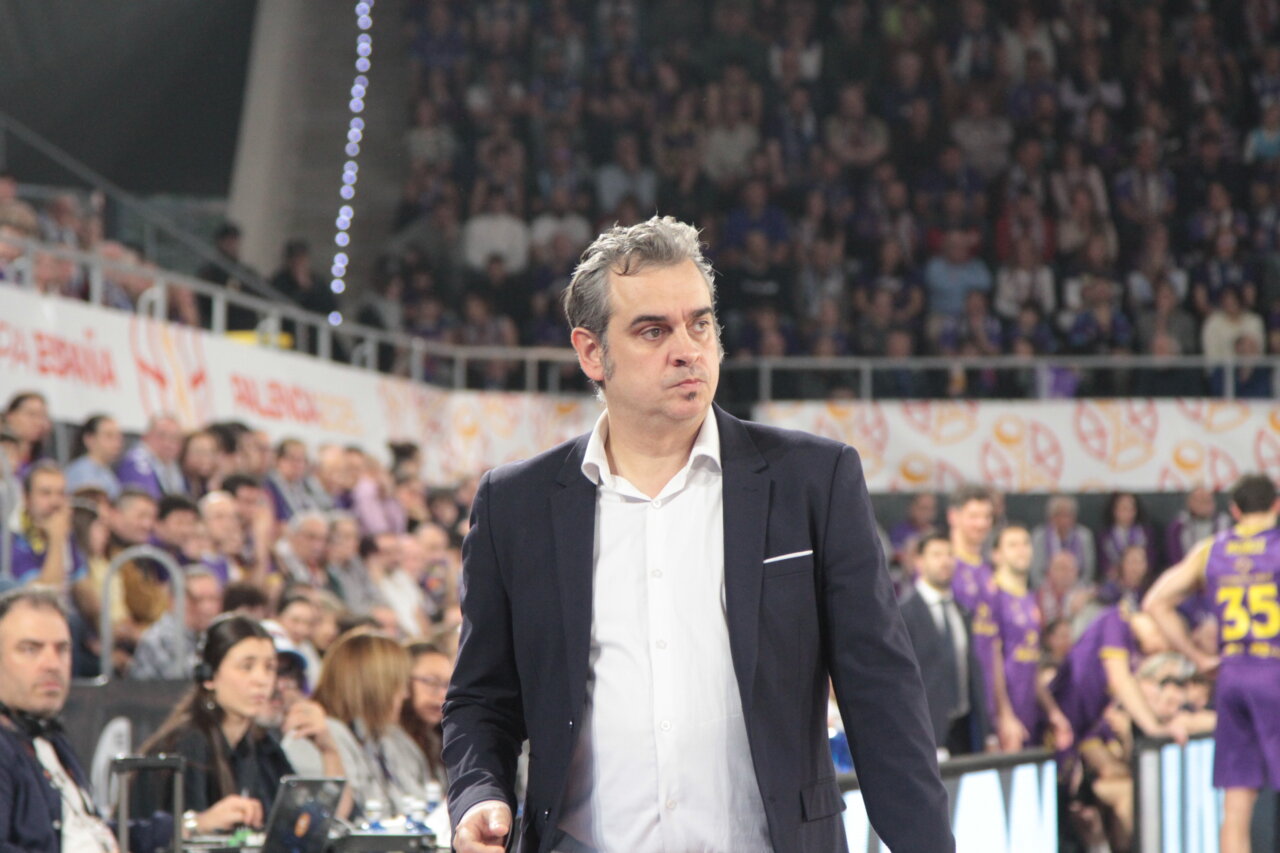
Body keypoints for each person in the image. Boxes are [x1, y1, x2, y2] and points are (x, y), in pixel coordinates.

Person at [443, 217, 950, 853]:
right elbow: (481, 699)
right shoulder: (513, 504)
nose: (687, 347)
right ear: (591, 352)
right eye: (653, 330)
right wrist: (479, 792)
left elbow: (883, 697)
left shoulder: (814, 479)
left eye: (700, 323)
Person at [1143, 473, 1280, 853]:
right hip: (1274, 671)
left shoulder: (1212, 549)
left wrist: (1196, 656)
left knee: (1236, 804)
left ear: (1234, 510)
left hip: (1232, 671)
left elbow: (1154, 601)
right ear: (1276, 505)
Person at [0, 585, 191, 850]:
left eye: (62, 649)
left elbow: (93, 832)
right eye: (30, 649)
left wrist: (189, 826)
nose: (52, 663)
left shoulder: (49, 736)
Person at [135, 614, 344, 822]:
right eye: (247, 666)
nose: (262, 680)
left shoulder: (262, 747)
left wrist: (329, 751)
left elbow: (314, 824)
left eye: (269, 668)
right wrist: (200, 824)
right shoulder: (187, 744)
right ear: (209, 676)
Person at [282, 630, 427, 818]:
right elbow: (329, 819)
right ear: (374, 686)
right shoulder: (315, 734)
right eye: (397, 684)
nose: (405, 695)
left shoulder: (374, 735)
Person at [897, 534, 989, 755]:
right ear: (919, 561)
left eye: (949, 554)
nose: (945, 561)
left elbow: (972, 672)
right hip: (926, 732)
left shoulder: (962, 611)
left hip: (965, 730)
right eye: (936, 555)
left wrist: (987, 731)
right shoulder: (903, 613)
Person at [988, 525, 1072, 750]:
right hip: (1002, 720)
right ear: (996, 554)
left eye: (1025, 543)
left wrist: (1052, 711)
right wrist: (1004, 715)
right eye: (1012, 545)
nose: (1021, 550)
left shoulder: (1029, 600)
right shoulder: (992, 596)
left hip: (1028, 713)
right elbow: (990, 659)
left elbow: (1030, 662)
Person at [126, 566, 223, 680]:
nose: (208, 608)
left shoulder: (207, 634)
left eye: (213, 599)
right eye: (198, 599)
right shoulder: (159, 639)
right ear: (174, 600)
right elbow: (183, 681)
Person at [402, 641, 453, 785]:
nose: (442, 695)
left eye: (447, 685)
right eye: (431, 682)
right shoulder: (387, 740)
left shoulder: (438, 741)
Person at [115, 414, 187, 500]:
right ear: (146, 436)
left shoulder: (172, 467)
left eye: (175, 438)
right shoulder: (137, 463)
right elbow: (149, 502)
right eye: (162, 435)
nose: (168, 443)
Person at [63, 414, 125, 500]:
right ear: (89, 439)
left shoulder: (107, 473)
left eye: (118, 437)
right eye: (109, 436)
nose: (117, 443)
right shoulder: (81, 472)